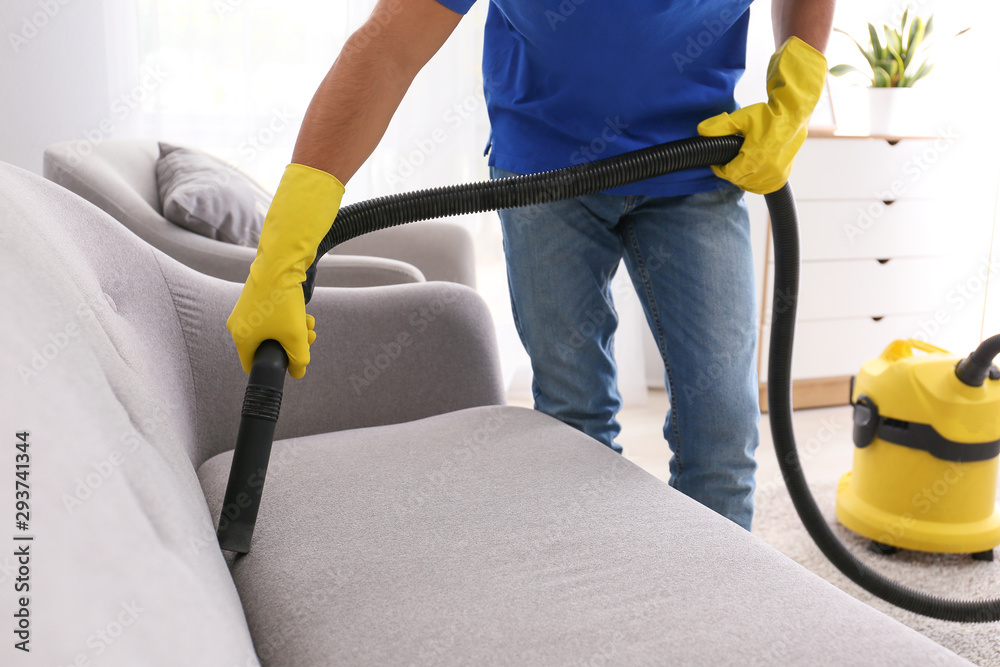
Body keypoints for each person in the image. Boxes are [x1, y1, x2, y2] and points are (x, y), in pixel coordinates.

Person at [226, 0, 834, 531]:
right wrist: (286, 243)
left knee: (723, 429)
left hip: (698, 161)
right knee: (574, 416)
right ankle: (578, 595)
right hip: (543, 173)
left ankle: (720, 613)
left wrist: (797, 91)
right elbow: (388, 46)